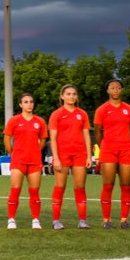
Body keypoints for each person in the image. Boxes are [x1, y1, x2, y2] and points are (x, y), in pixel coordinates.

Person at [93, 80, 130, 229]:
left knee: (126, 186)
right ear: (108, 91)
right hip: (108, 150)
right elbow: (97, 131)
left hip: (126, 150)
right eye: (112, 88)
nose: (116, 90)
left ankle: (124, 220)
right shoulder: (102, 109)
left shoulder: (129, 109)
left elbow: (128, 128)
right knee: (108, 185)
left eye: (118, 88)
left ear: (122, 90)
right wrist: (103, 146)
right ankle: (106, 220)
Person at [49, 84, 93, 230]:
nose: (71, 96)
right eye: (68, 94)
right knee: (60, 186)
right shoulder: (56, 114)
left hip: (80, 154)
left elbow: (86, 135)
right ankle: (56, 221)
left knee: (80, 187)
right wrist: (56, 157)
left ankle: (82, 221)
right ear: (62, 97)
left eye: (74, 94)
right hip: (62, 154)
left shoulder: (83, 114)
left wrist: (89, 155)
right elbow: (53, 138)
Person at [4, 93, 47, 230]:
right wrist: (13, 153)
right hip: (18, 161)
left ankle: (35, 219)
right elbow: (7, 138)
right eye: (26, 102)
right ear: (20, 105)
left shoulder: (40, 121)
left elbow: (43, 140)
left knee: (34, 191)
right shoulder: (14, 120)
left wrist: (35, 151)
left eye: (31, 102)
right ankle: (11, 219)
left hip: (34, 161)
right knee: (15, 190)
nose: (29, 104)